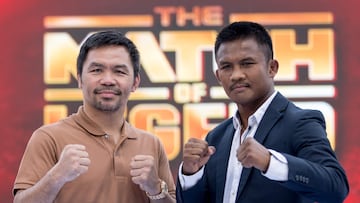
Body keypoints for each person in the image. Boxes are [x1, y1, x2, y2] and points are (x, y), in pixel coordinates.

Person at [176, 21, 349, 203]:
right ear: (218, 76)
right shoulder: (216, 137)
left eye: (247, 63)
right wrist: (191, 173)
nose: (236, 75)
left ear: (271, 68)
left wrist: (270, 162)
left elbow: (336, 188)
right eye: (227, 67)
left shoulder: (300, 122)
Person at [13, 30, 176, 203]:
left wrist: (156, 188)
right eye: (97, 70)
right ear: (79, 79)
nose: (108, 80)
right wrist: (56, 176)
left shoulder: (151, 144)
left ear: (135, 82)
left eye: (119, 71)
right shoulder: (48, 138)